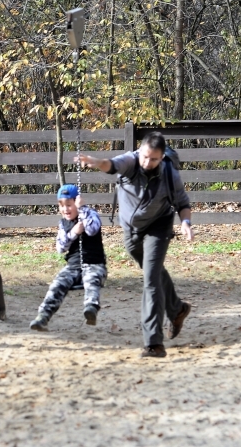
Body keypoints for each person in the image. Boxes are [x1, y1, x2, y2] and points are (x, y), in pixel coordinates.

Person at [77, 132, 193, 358]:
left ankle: (154, 344)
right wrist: (94, 162)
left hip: (158, 226)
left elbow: (183, 203)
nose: (148, 162)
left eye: (154, 159)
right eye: (145, 157)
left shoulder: (170, 173)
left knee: (151, 280)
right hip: (131, 230)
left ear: (162, 159)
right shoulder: (130, 161)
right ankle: (178, 309)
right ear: (140, 152)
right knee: (154, 271)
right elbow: (110, 164)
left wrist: (186, 223)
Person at [30, 184, 108, 331]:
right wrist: (73, 233)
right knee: (57, 284)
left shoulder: (90, 214)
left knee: (91, 280)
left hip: (94, 264)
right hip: (73, 266)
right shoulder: (63, 223)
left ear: (77, 202)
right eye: (62, 206)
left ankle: (91, 308)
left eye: (69, 205)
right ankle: (43, 316)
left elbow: (92, 230)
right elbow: (60, 248)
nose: (65, 209)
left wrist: (83, 210)